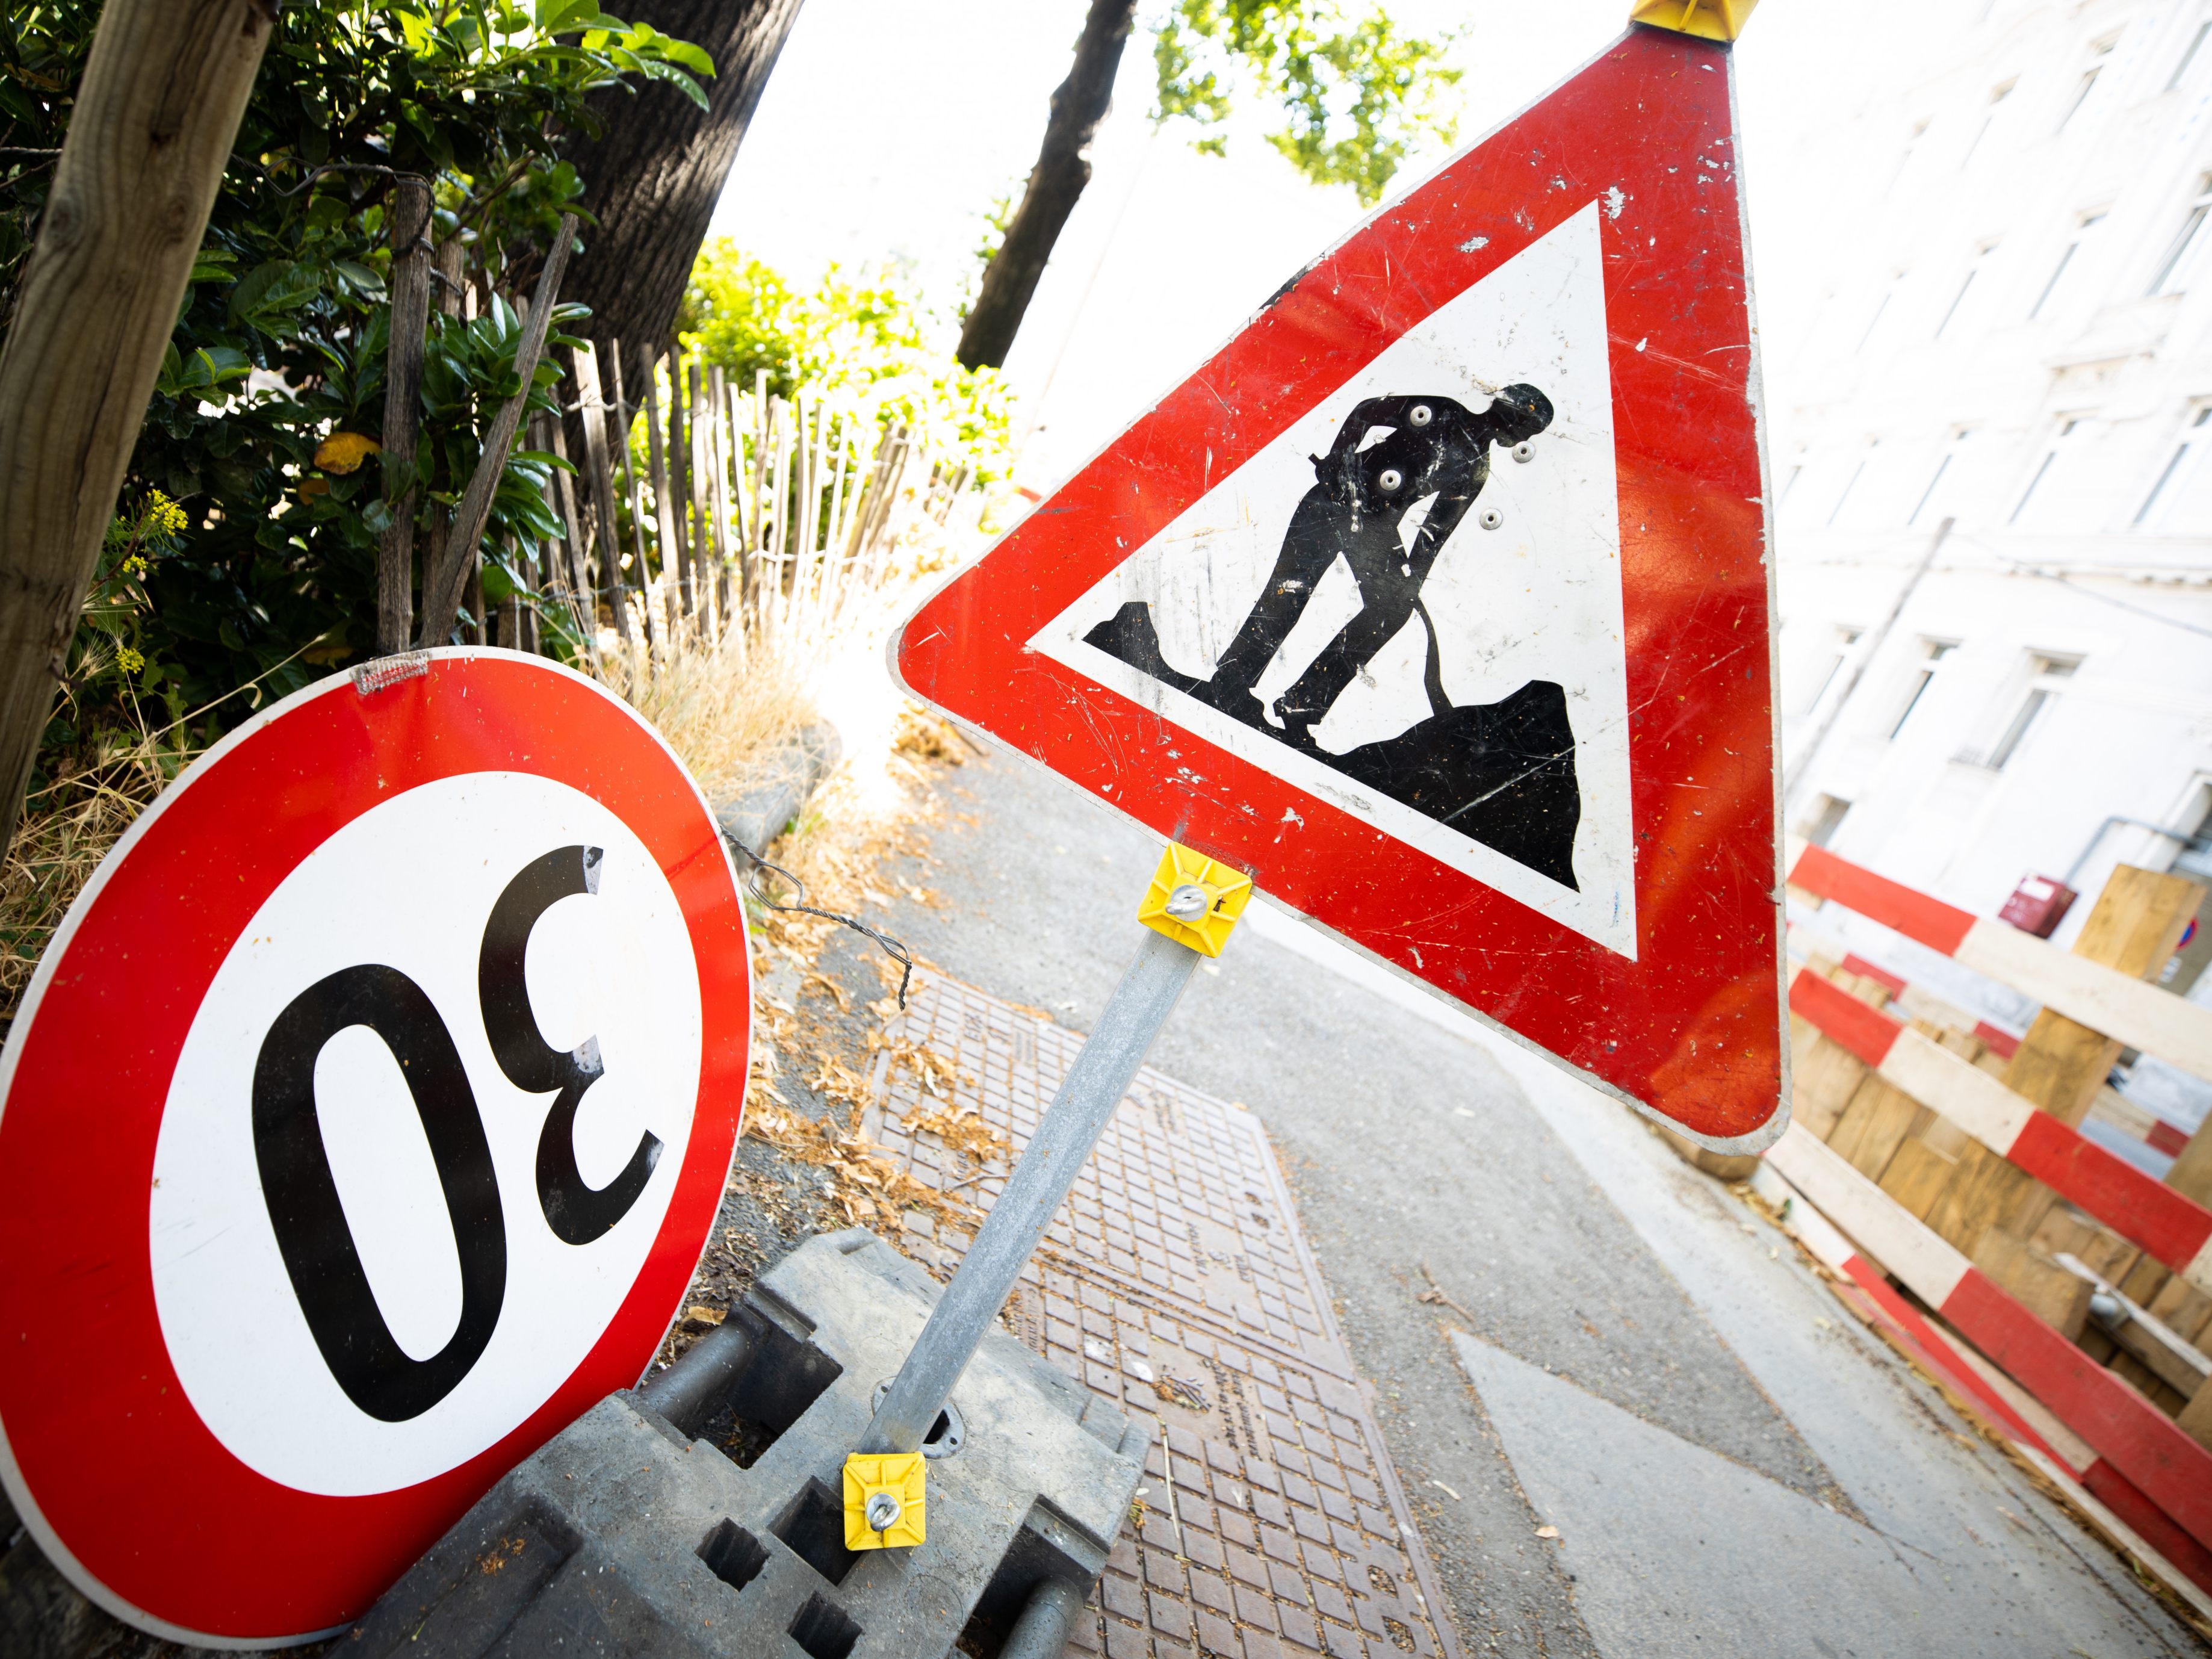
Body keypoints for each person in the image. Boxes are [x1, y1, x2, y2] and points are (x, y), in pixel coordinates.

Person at [1198, 385, 1554, 742]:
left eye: (1531, 432)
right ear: (1512, 413)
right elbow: (1368, 411)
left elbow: (1434, 532)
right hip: (1335, 498)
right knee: (1291, 589)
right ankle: (1230, 685)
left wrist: (1411, 581)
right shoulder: (1445, 412)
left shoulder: (1476, 469)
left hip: (1375, 527)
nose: (1526, 435)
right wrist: (1339, 461)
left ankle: (1300, 707)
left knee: (1392, 608)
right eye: (1528, 426)